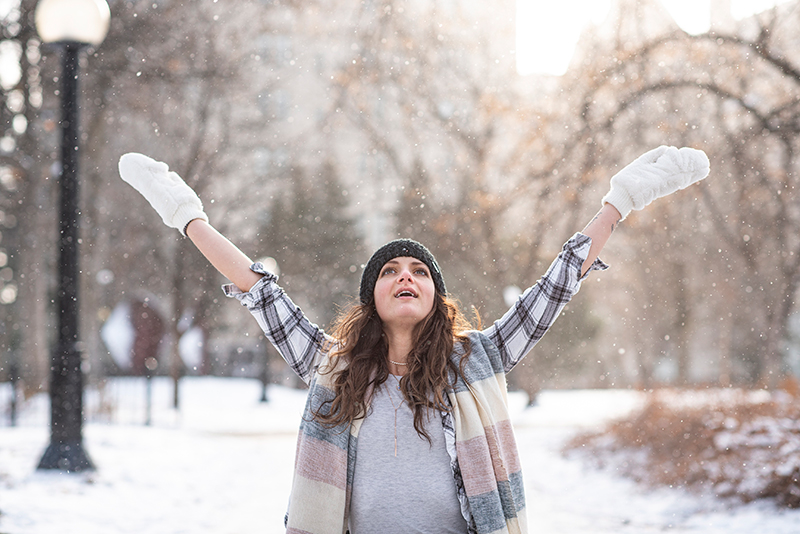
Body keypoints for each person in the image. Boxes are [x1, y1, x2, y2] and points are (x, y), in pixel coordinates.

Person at [118, 145, 709, 534]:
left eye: (420, 271)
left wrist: (618, 202)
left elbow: (555, 287)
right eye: (392, 271)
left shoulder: (478, 359)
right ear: (372, 297)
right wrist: (187, 215)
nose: (406, 276)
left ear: (436, 297)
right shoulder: (335, 367)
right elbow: (259, 290)